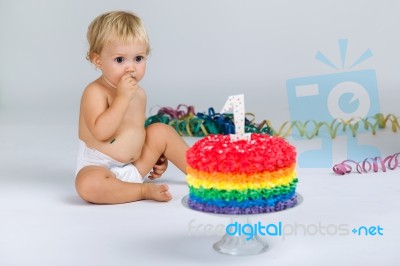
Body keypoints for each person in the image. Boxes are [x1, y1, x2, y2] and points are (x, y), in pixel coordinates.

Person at [75, 11, 189, 204]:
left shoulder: (139, 94)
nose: (131, 68)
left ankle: (206, 173)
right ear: (98, 60)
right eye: (120, 60)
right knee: (87, 184)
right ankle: (141, 191)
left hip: (134, 167)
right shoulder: (95, 91)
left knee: (161, 131)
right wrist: (121, 98)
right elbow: (101, 132)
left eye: (138, 58)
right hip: (100, 169)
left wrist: (156, 155)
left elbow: (135, 132)